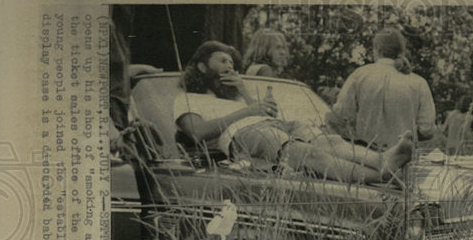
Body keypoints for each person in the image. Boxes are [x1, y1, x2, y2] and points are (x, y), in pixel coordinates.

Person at [174, 41, 413, 185]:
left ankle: (381, 161)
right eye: (222, 61)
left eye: (231, 63)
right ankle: (379, 176)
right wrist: (249, 109)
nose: (230, 66)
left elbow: (260, 110)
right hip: (244, 134)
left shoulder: (234, 94)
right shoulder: (187, 98)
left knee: (330, 142)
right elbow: (196, 133)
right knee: (306, 154)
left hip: (276, 124)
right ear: (203, 67)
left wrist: (242, 89)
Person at [330, 28, 437, 149]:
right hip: (403, 157)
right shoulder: (418, 83)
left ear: (377, 49)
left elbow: (341, 115)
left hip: (366, 157)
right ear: (401, 51)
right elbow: (427, 129)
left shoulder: (359, 75)